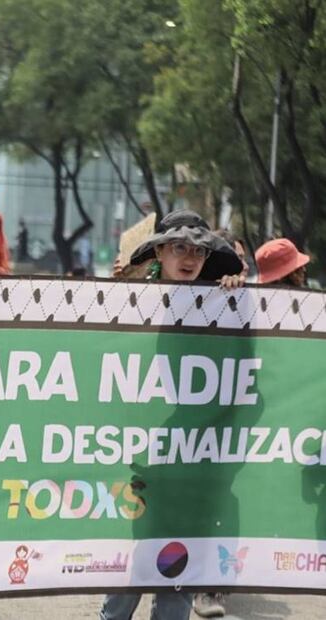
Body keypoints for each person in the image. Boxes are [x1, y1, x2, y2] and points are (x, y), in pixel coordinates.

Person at [101, 211, 244, 620]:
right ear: (160, 251)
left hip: (193, 453)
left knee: (180, 559)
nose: (190, 257)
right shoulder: (131, 298)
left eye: (199, 250)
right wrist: (124, 282)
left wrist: (237, 292)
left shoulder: (218, 302)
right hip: (144, 452)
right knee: (139, 559)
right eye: (180, 247)